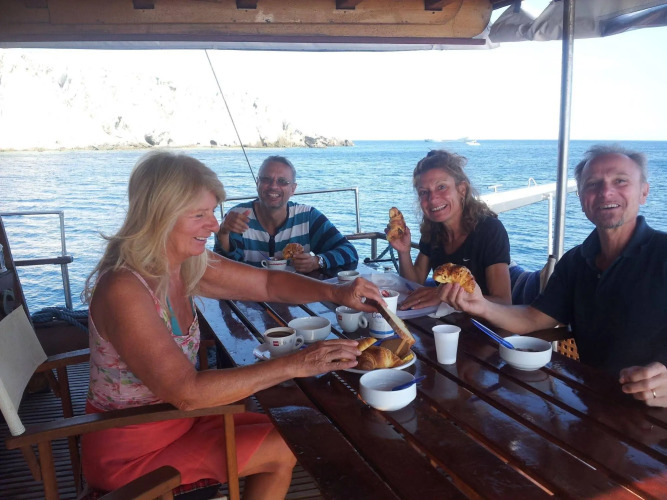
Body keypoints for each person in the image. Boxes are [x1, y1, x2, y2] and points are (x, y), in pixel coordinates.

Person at [81, 150, 386, 497]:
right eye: (200, 214)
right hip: (133, 449)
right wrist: (298, 363)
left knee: (295, 429)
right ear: (160, 215)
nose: (214, 225)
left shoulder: (186, 264)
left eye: (212, 212)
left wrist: (336, 292)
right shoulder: (124, 288)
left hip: (181, 421)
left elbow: (268, 284)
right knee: (286, 445)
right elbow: (187, 392)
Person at [439, 144, 667, 408]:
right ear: (582, 198)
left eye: (620, 181)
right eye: (593, 184)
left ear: (644, 191)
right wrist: (480, 305)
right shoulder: (575, 261)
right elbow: (533, 318)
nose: (605, 192)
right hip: (593, 404)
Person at [391, 149, 512, 308]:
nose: (432, 199)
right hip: (447, 320)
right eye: (424, 192)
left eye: (441, 187)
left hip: (481, 322)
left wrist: (442, 296)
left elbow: (504, 302)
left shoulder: (489, 230)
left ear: (462, 189)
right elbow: (414, 283)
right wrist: (404, 251)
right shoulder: (433, 230)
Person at [213, 155, 358, 273]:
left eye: (282, 181)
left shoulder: (307, 217)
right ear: (257, 184)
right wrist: (223, 233)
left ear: (293, 189)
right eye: (266, 179)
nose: (273, 186)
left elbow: (349, 252)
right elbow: (222, 267)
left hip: (295, 294)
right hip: (250, 295)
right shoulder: (238, 216)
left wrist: (317, 261)